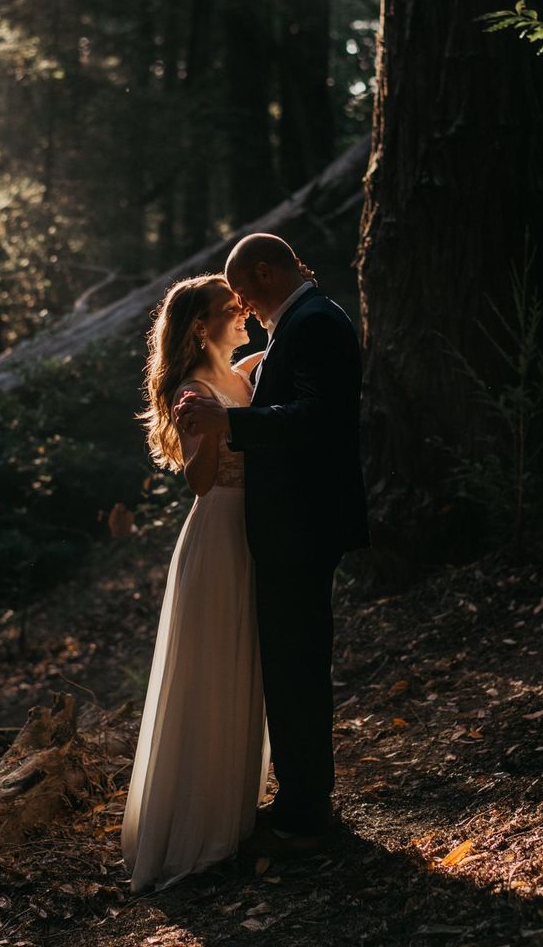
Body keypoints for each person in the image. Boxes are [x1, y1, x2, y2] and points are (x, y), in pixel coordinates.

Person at [175, 234, 369, 856]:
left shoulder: (313, 323)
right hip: (290, 524)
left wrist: (230, 421)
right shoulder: (301, 324)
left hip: (303, 524)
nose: (244, 307)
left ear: (266, 272)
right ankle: (297, 803)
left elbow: (314, 417)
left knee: (297, 670)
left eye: (245, 294)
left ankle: (303, 817)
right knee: (288, 669)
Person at [121, 274, 270, 893]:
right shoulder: (192, 390)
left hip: (255, 531)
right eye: (227, 309)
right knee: (212, 671)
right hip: (219, 532)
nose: (242, 314)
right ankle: (197, 833)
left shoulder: (248, 371)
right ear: (200, 327)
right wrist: (214, 426)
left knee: (246, 669)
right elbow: (201, 482)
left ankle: (234, 815)